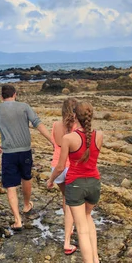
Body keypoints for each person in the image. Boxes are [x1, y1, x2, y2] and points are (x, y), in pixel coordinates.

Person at [47, 101, 103, 263]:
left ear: (75, 116)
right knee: (88, 218)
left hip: (76, 185)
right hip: (94, 183)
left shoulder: (69, 138)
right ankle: (95, 259)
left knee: (81, 229)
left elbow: (61, 166)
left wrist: (50, 179)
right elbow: (92, 158)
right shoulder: (99, 135)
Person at [0, 84, 52, 231]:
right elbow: (38, 123)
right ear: (15, 94)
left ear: (1, 97)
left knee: (10, 186)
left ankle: (17, 220)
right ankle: (26, 205)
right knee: (26, 177)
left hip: (8, 153)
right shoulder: (24, 106)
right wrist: (52, 140)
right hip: (25, 151)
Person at [50, 98, 78, 255]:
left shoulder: (55, 125)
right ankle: (67, 242)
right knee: (70, 202)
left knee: (66, 198)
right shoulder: (77, 128)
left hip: (57, 167)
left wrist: (51, 178)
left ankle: (71, 226)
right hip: (71, 167)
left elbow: (55, 145)